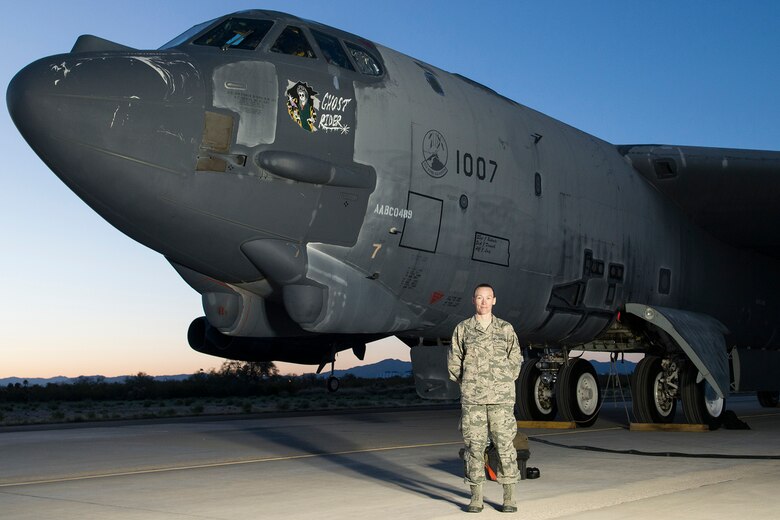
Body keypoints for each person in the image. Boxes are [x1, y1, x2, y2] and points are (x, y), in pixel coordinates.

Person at [448, 283, 522, 513]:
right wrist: (470, 383)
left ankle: (509, 497)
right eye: (479, 298)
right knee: (474, 447)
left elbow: (515, 359)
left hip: (501, 399)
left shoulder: (505, 329)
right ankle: (476, 497)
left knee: (505, 446)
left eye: (487, 298)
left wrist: (503, 382)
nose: (483, 302)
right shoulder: (463, 329)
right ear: (473, 300)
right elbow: (454, 363)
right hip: (474, 400)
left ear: (494, 300)